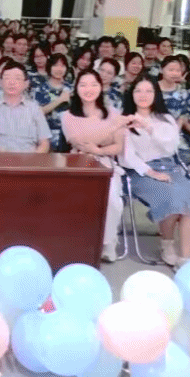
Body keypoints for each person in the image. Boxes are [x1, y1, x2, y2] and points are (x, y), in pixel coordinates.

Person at [120, 77, 190, 267]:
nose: (143, 95)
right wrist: (150, 172)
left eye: (148, 91)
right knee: (172, 198)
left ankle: (185, 259)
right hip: (140, 171)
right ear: (131, 94)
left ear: (156, 94)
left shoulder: (165, 119)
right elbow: (126, 157)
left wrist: (149, 128)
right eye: (138, 91)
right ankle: (167, 245)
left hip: (169, 167)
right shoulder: (125, 120)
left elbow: (170, 148)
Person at [62, 69, 131, 262]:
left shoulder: (113, 113)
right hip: (78, 163)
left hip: (105, 162)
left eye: (93, 84)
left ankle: (108, 243)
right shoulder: (67, 115)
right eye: (83, 85)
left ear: (101, 87)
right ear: (76, 88)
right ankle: (79, 242)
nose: (88, 89)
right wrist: (111, 127)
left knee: (113, 201)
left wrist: (98, 150)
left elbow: (118, 146)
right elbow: (80, 142)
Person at [0, 60, 50, 153]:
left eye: (17, 78)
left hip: (28, 159)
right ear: (0, 82)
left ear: (26, 84)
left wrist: (33, 158)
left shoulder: (35, 109)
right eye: (7, 78)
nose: (12, 82)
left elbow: (44, 143)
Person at [32, 53, 72, 152]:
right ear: (49, 67)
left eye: (62, 66)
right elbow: (37, 112)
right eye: (55, 65)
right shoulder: (41, 89)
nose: (59, 69)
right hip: (47, 137)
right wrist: (60, 100)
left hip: (69, 136)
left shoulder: (71, 88)